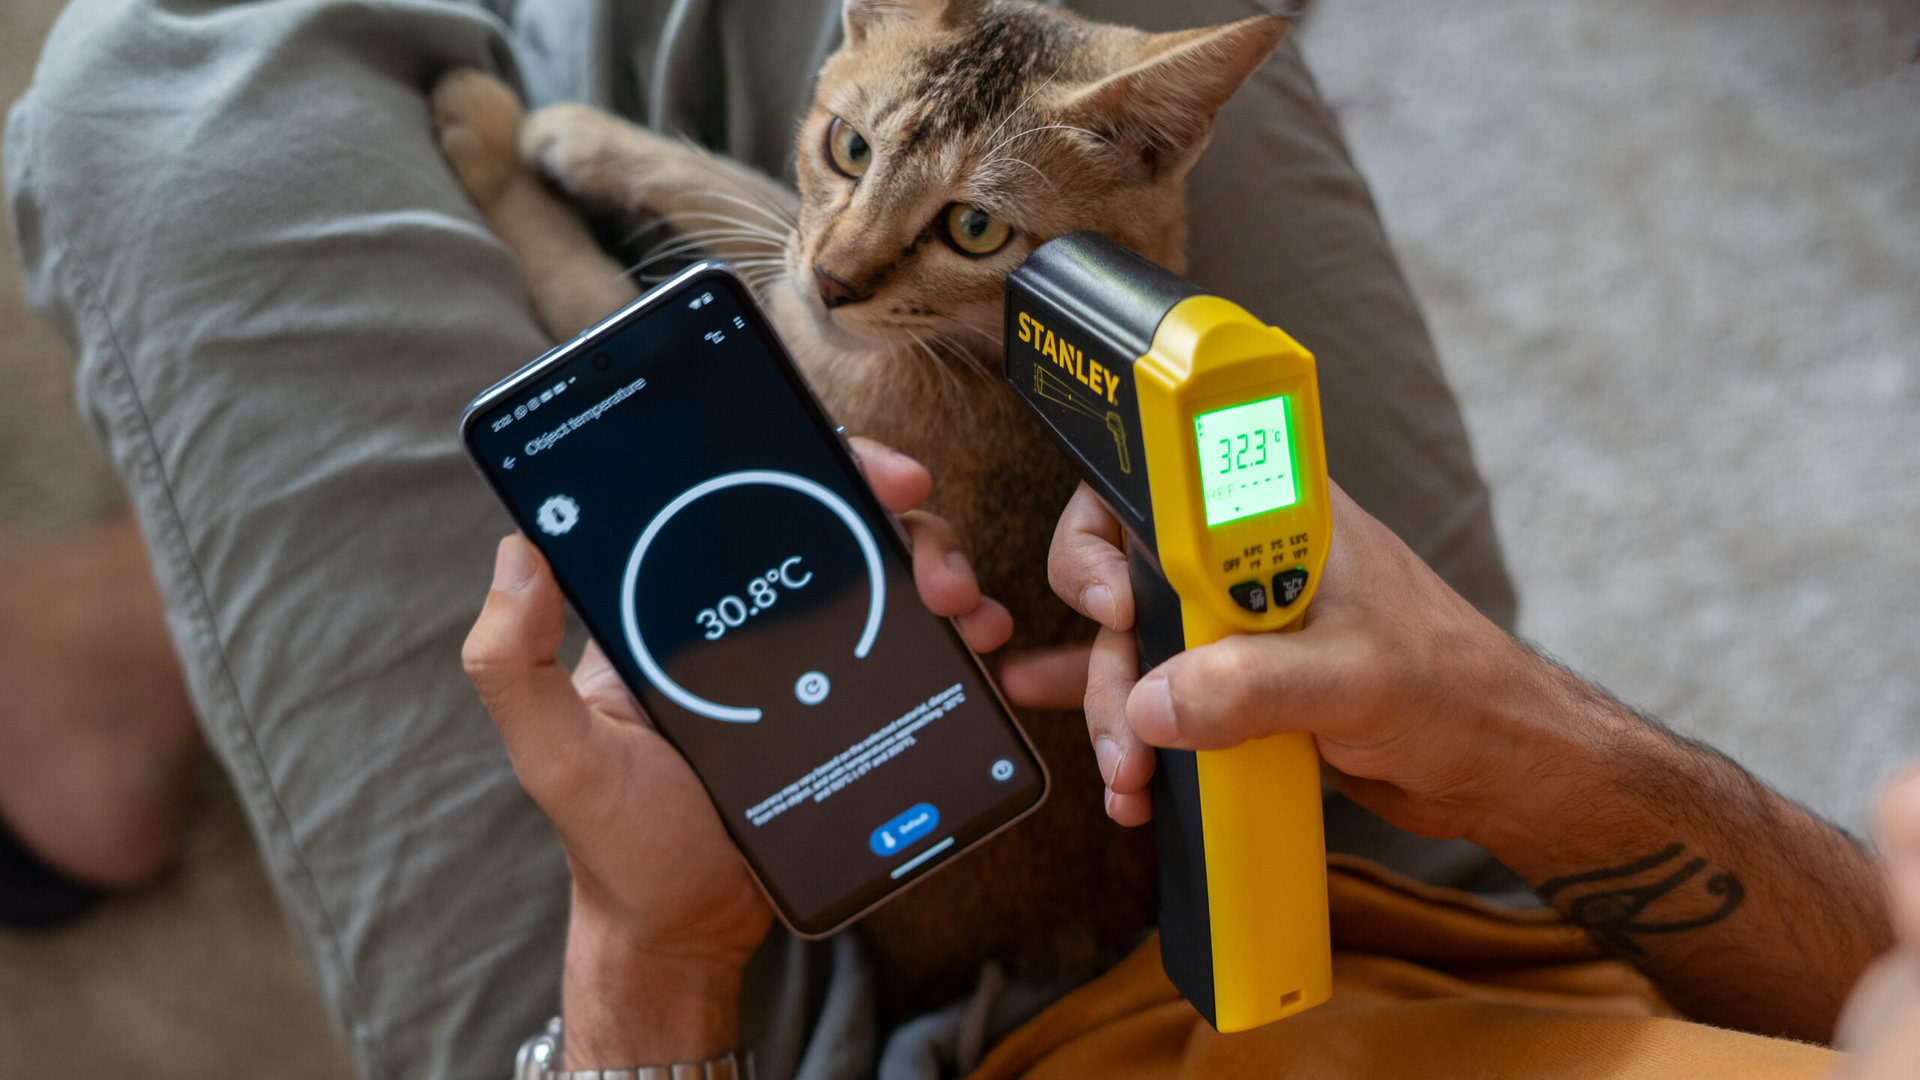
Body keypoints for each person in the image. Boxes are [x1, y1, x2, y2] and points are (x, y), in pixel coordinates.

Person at [466, 451, 1918, 1077]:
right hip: (1482, 904)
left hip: (810, 1016)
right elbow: (1864, 999)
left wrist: (648, 958)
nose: (1903, 802)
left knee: (321, 107)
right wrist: (1519, 735)